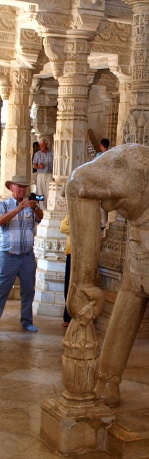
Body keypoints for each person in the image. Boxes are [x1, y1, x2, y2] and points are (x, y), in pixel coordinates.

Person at [0, 175, 44, 332]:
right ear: (11, 187)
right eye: (19, 186)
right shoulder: (4, 204)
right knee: (2, 289)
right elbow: (1, 221)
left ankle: (27, 321)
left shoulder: (30, 207)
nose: (22, 189)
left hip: (27, 256)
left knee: (28, 290)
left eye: (24, 187)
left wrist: (36, 208)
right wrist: (17, 209)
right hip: (8, 255)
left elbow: (41, 217)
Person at [32, 139, 53, 210]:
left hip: (49, 174)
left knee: (49, 191)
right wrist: (38, 166)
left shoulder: (52, 153)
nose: (41, 146)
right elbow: (34, 165)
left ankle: (49, 207)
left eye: (43, 144)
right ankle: (41, 208)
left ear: (46, 144)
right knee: (39, 191)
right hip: (40, 175)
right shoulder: (37, 154)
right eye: (40, 145)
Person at [94, 138, 110, 229]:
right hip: (108, 179)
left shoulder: (99, 155)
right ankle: (104, 221)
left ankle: (103, 221)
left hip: (101, 179)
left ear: (102, 145)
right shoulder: (110, 154)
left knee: (101, 202)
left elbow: (94, 164)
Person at [59, 214, 71, 328]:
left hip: (84, 254)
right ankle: (67, 317)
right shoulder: (70, 214)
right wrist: (77, 229)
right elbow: (62, 227)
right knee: (68, 286)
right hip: (71, 253)